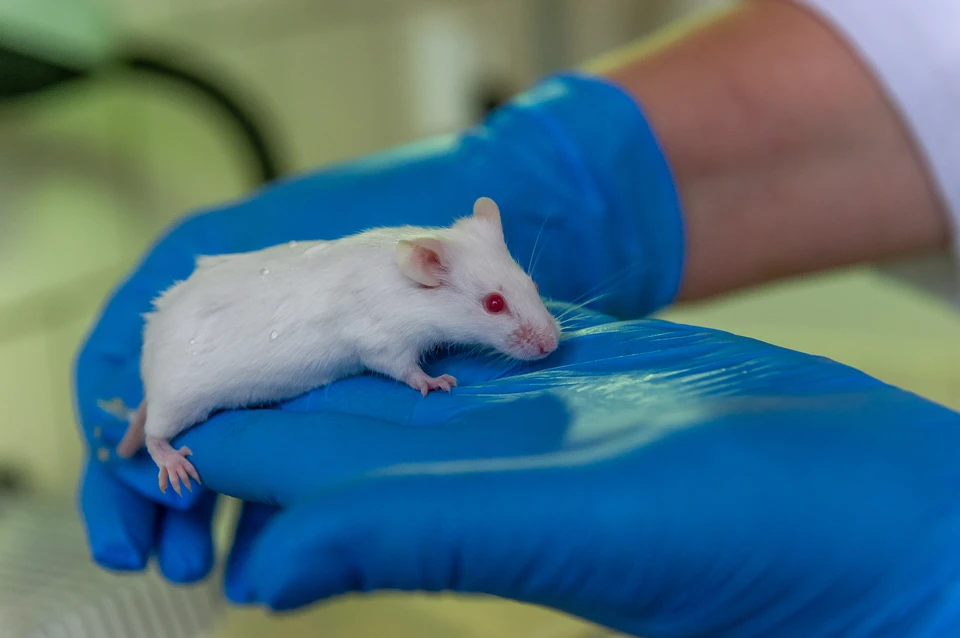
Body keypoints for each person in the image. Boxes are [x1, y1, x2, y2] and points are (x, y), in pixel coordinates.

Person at [74, 0, 960, 636]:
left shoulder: (432, 283)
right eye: (501, 305)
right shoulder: (400, 289)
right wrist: (595, 177)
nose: (540, 335)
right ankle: (156, 430)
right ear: (425, 270)